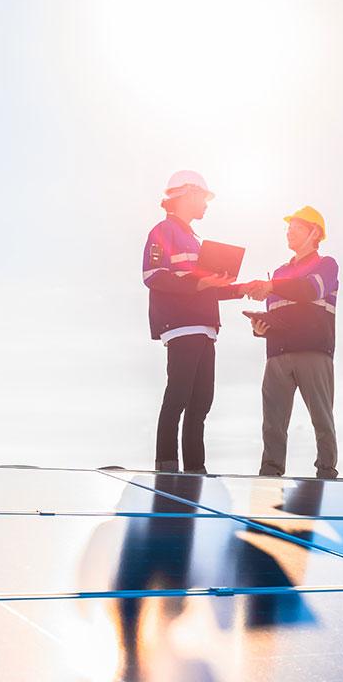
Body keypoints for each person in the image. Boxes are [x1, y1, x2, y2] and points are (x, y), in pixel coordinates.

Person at [141, 170, 255, 474]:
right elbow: (152, 276)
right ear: (186, 194)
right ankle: (166, 467)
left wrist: (240, 289)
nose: (207, 203)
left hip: (206, 328)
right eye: (204, 197)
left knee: (202, 400)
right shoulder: (162, 231)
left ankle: (195, 470)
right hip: (181, 327)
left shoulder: (194, 239)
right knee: (178, 394)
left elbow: (208, 287)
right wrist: (199, 285)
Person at [245, 206, 339, 478]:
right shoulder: (279, 272)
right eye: (288, 228)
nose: (289, 232)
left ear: (314, 233)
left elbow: (311, 290)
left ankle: (326, 471)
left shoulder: (327, 265)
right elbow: (277, 312)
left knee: (321, 418)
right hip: (277, 354)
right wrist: (260, 328)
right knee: (272, 422)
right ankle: (270, 472)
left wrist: (272, 286)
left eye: (296, 227)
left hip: (313, 352)